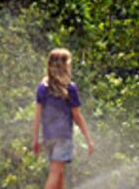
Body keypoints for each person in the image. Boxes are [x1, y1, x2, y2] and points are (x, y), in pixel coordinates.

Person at [32, 48, 95, 189]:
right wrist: (88, 139)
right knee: (54, 175)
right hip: (63, 138)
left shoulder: (42, 87)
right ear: (66, 66)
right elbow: (77, 116)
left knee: (59, 176)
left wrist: (35, 139)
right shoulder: (70, 88)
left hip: (48, 138)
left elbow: (37, 116)